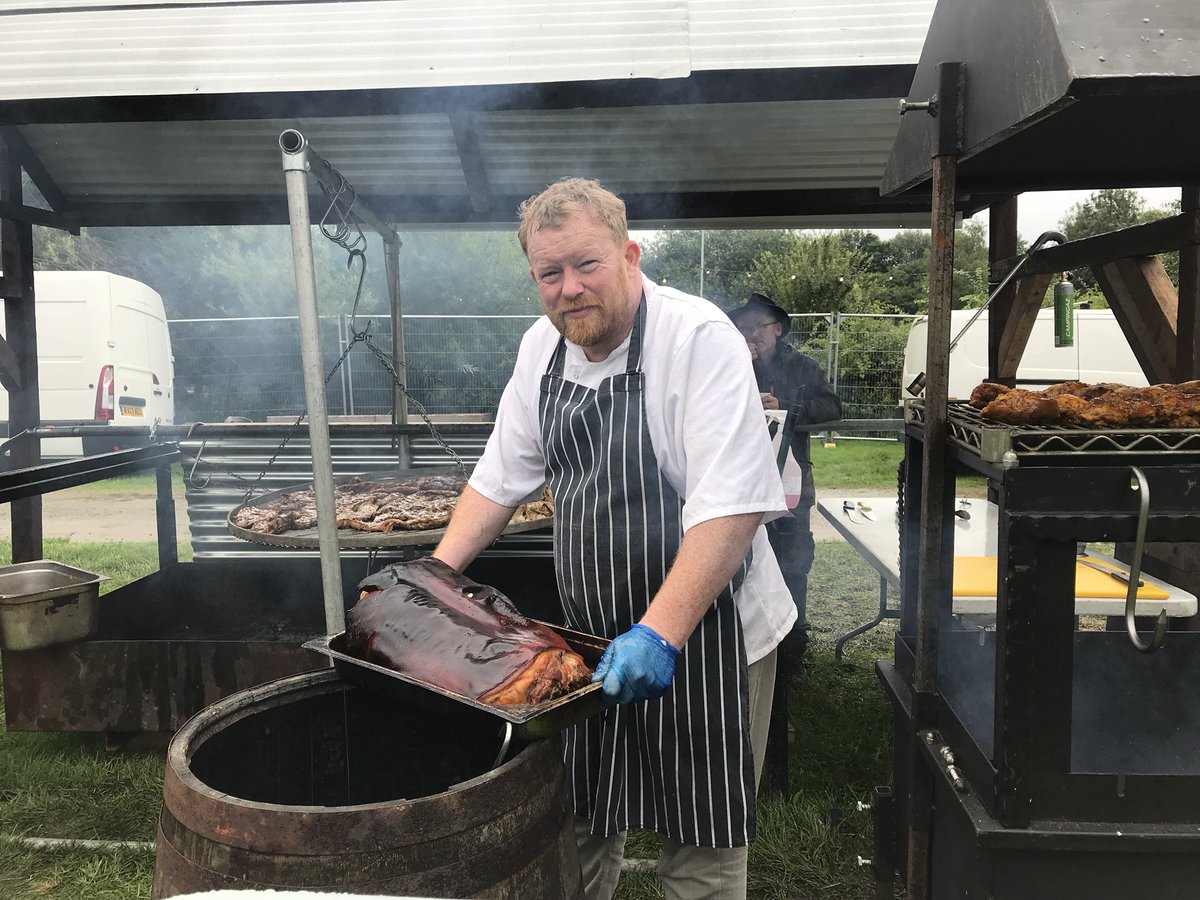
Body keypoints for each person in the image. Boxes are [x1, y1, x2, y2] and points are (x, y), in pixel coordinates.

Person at [432, 178, 796, 900]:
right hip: (590, 642)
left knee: (701, 847)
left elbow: (731, 509)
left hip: (707, 635)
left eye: (587, 264)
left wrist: (659, 634)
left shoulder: (698, 339)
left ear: (630, 256)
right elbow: (499, 479)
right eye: (550, 273)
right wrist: (431, 575)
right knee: (582, 821)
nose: (570, 288)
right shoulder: (540, 349)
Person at [727, 293, 843, 659]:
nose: (751, 334)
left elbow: (833, 407)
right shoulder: (731, 362)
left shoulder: (803, 366)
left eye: (757, 327)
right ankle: (746, 644)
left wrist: (788, 408)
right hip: (740, 483)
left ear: (777, 329)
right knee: (741, 564)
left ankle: (793, 647)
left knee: (792, 562)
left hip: (792, 486)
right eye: (743, 327)